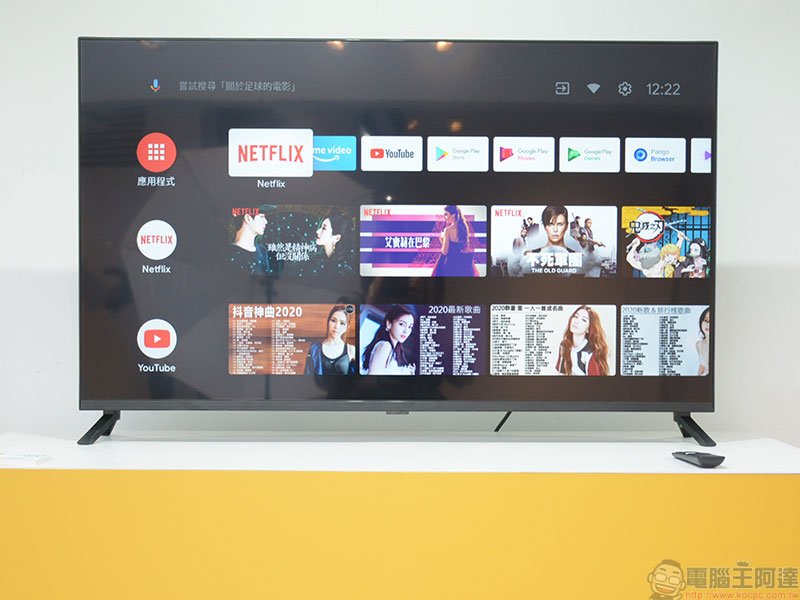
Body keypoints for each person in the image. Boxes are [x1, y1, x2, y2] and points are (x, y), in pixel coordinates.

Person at [555, 305, 610, 376]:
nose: (576, 321)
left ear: (588, 329)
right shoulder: (564, 345)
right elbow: (560, 373)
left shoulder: (590, 353)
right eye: (576, 316)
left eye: (583, 320)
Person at [362, 305, 416, 375]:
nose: (406, 331)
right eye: (401, 324)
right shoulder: (385, 346)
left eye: (409, 327)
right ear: (389, 324)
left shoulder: (393, 351)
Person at [304, 305, 357, 375]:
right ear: (328, 321)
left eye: (342, 323)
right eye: (333, 320)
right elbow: (307, 376)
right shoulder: (314, 348)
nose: (337, 326)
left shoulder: (351, 350)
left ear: (347, 327)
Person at [431, 205, 479, 277]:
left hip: (450, 263)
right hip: (463, 264)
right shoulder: (464, 228)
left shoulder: (448, 230)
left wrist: (442, 240)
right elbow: (465, 248)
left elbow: (445, 251)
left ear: (453, 215)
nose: (444, 217)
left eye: (446, 214)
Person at [307, 212, 354, 276]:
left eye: (324, 228)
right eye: (321, 227)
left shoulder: (343, 270)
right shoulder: (321, 261)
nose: (317, 231)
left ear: (337, 238)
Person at [229, 205, 272, 275]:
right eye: (261, 217)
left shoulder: (262, 251)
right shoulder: (230, 254)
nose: (266, 221)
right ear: (248, 218)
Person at [696, 307, 711, 376]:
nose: (708, 324)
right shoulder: (699, 345)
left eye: (711, 321)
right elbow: (702, 365)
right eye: (705, 320)